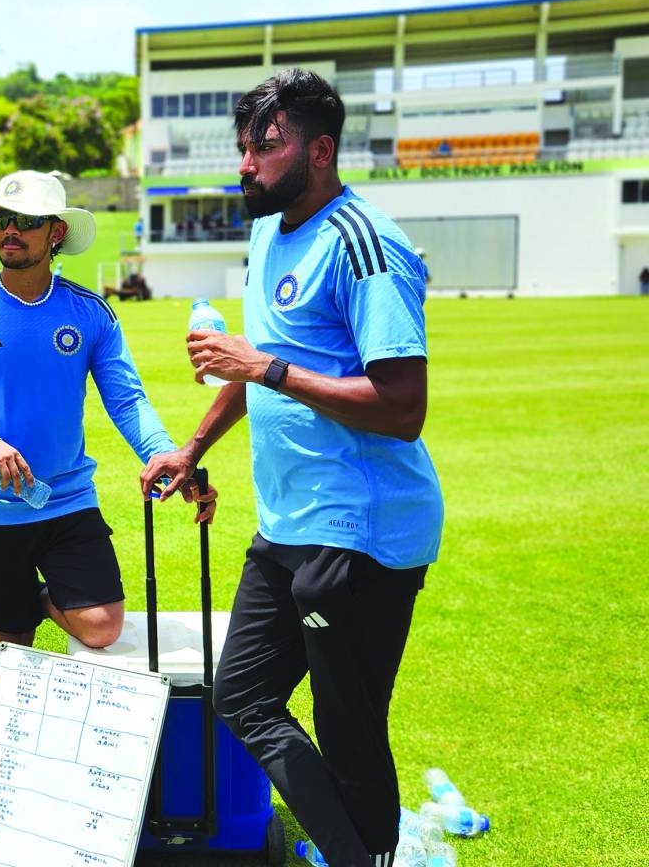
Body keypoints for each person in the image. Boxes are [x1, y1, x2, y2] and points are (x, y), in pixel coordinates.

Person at [142, 69, 443, 867]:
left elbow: (401, 404)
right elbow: (255, 370)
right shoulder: (269, 229)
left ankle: (362, 853)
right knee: (240, 694)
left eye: (265, 148)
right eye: (243, 148)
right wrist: (193, 448)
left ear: (320, 149)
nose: (247, 164)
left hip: (363, 533)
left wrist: (265, 365)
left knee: (349, 728)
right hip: (289, 524)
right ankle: (355, 852)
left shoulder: (365, 245)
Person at [0, 170, 215, 669]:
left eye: (26, 221)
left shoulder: (90, 312)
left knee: (102, 627)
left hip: (68, 498)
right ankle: (8, 621)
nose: (10, 230)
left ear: (56, 233)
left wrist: (162, 453)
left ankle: (32, 599)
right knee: (12, 653)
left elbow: (126, 399)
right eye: (3, 220)